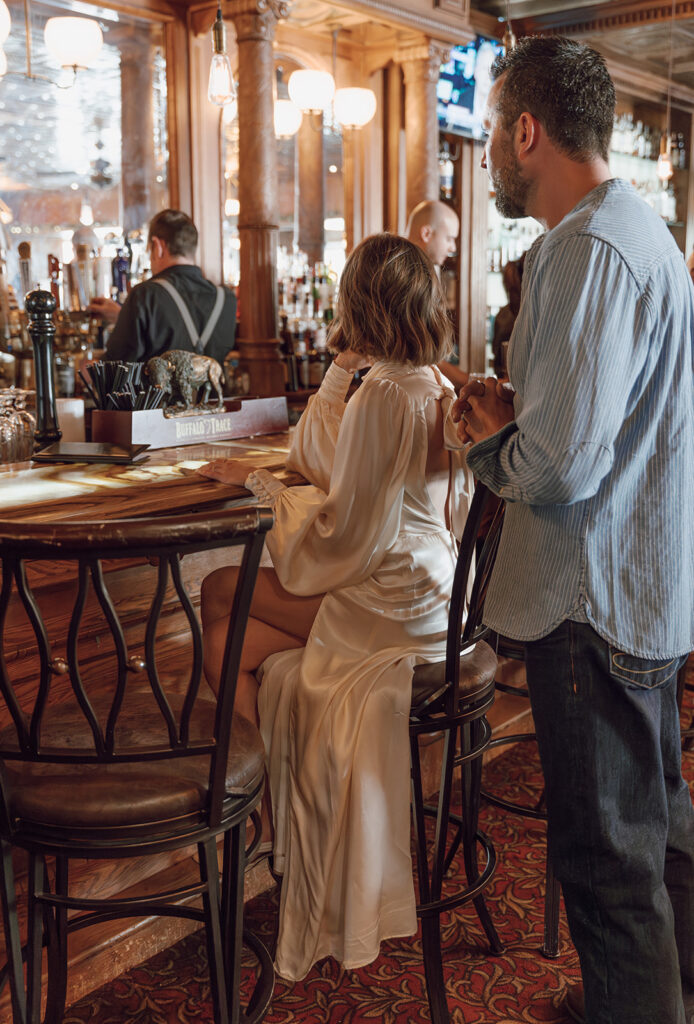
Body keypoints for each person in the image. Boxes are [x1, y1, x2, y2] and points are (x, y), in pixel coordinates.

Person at [452, 36, 694, 1024]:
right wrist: (525, 414)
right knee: (656, 835)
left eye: (489, 138)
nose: (487, 161)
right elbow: (603, 421)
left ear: (525, 130)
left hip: (588, 598)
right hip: (639, 581)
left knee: (606, 862)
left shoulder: (583, 245)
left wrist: (489, 442)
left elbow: (560, 463)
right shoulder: (640, 229)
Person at [198, 232, 475, 982]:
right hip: (432, 601)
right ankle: (262, 815)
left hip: (386, 612)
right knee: (228, 634)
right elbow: (328, 466)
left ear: (358, 303)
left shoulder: (386, 394)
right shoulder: (431, 385)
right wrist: (336, 375)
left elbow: (340, 534)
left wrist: (258, 488)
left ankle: (252, 818)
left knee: (220, 594)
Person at [89, 209, 236, 365]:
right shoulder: (226, 298)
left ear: (158, 247)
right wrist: (123, 316)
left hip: (157, 390)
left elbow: (114, 367)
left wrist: (86, 367)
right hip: (216, 390)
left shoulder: (145, 295)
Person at [406, 200, 469, 391]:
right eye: (449, 238)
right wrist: (472, 382)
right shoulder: (407, 276)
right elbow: (418, 354)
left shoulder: (422, 271)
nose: (453, 247)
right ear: (426, 233)